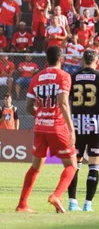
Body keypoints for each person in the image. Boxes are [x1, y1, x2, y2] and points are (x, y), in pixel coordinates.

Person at [16, 46, 77, 213]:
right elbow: (63, 102)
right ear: (61, 59)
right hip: (57, 126)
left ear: (46, 60)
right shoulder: (64, 76)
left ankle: (22, 204)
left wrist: (41, 115)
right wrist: (71, 128)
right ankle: (57, 195)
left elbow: (29, 106)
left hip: (40, 126)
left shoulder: (37, 77)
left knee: (36, 166)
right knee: (72, 165)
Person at [68, 49, 99, 212]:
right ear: (96, 61)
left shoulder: (73, 77)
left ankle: (72, 202)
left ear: (83, 61)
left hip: (76, 125)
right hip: (95, 125)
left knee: (74, 164)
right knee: (94, 165)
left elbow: (66, 101)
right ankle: (88, 203)